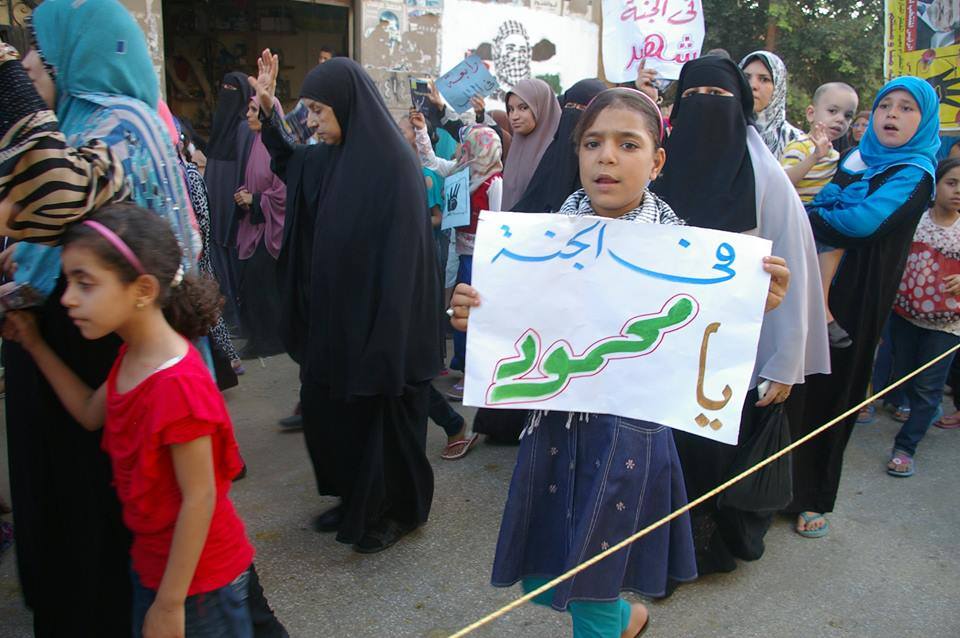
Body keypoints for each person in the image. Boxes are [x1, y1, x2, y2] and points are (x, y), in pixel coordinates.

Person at [449, 87, 792, 638]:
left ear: (656, 162)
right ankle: (627, 619)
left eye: (628, 144)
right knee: (548, 569)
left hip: (628, 437)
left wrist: (752, 305)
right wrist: (475, 314)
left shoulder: (692, 258)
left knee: (592, 574)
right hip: (555, 425)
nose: (606, 156)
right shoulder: (537, 243)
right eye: (593, 143)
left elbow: (706, 350)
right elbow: (517, 334)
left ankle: (610, 622)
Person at [0, 1, 200, 633]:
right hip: (71, 354)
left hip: (97, 350)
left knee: (92, 520)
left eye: (37, 53)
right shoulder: (83, 120)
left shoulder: (120, 124)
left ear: (71, 55)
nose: (30, 64)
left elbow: (57, 197)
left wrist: (5, 78)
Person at [4, 205, 264, 638]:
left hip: (198, 589)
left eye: (85, 284)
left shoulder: (175, 384)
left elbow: (199, 497)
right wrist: (34, 344)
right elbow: (90, 413)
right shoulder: (134, 355)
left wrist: (169, 604)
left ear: (142, 290)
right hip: (155, 569)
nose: (67, 298)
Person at [250, 51, 442, 553]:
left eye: (318, 110)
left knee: (385, 424)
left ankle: (397, 513)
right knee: (332, 414)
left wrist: (387, 342)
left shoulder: (393, 168)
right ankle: (355, 497)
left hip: (383, 327)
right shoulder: (329, 157)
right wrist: (270, 114)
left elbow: (405, 264)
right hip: (338, 322)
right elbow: (292, 165)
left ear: (347, 103)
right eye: (308, 111)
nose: (312, 122)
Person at [653, 55, 830, 574]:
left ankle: (701, 552)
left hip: (728, 356)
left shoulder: (766, 177)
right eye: (694, 98)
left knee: (709, 453)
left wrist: (785, 362)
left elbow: (792, 272)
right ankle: (653, 549)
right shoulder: (658, 167)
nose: (706, 108)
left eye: (718, 97)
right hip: (663, 343)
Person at [786, 76, 940, 537]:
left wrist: (806, 214)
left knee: (835, 392)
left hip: (857, 298)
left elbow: (861, 224)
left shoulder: (915, 173)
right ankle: (775, 486)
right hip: (811, 285)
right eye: (886, 105)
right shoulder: (854, 157)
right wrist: (815, 212)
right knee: (795, 385)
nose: (892, 114)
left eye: (907, 108)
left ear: (925, 120)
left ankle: (813, 496)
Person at [410, 112, 503, 401]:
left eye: (468, 146)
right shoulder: (463, 173)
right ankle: (465, 368)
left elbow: (498, 223)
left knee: (474, 315)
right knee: (459, 314)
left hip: (481, 260)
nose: (462, 150)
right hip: (461, 253)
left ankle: (474, 374)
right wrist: (422, 132)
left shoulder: (494, 183)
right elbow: (431, 162)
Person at [399, 113, 476, 460]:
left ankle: (453, 422)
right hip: (440, 254)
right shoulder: (439, 169)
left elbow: (436, 214)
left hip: (428, 262)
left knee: (404, 371)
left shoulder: (422, 176)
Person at [885, 157, 960, 476]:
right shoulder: (914, 220)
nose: (958, 191)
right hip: (905, 316)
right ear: (936, 184)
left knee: (929, 386)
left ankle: (905, 447)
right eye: (951, 183)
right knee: (903, 373)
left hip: (948, 325)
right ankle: (922, 409)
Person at [780, 82, 860, 348]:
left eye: (847, 115)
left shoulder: (837, 155)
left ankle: (819, 308)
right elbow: (783, 181)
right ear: (811, 113)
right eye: (833, 111)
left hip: (819, 219)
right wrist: (814, 157)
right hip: (797, 217)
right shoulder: (801, 146)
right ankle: (821, 311)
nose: (840, 120)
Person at [173, 116, 244, 384]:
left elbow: (202, 215)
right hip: (193, 252)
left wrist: (200, 249)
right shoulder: (177, 173)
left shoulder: (190, 174)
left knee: (208, 311)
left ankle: (228, 361)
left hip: (198, 253)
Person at [234, 97, 286, 359]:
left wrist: (255, 199)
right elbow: (257, 180)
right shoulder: (256, 143)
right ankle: (259, 338)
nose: (248, 114)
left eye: (254, 110)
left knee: (263, 282)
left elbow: (284, 191)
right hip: (256, 227)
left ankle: (271, 341)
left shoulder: (279, 147)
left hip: (273, 229)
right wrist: (245, 193)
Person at [204, 72, 254, 330]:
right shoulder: (220, 125)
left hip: (234, 204)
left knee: (234, 256)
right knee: (218, 254)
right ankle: (230, 314)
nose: (227, 93)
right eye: (223, 87)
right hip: (215, 201)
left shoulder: (245, 128)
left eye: (232, 89)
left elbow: (247, 167)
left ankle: (241, 316)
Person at [513, 79, 608, 213]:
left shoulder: (607, 160)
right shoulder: (553, 153)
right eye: (569, 106)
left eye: (582, 108)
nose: (573, 112)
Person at [501, 78, 562, 211]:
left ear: (542, 107)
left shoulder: (558, 153)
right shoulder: (515, 149)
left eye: (523, 108)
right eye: (511, 109)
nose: (514, 116)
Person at [739, 50, 802, 159]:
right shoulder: (721, 131)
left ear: (778, 87)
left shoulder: (795, 140)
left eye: (764, 79)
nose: (752, 85)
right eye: (746, 77)